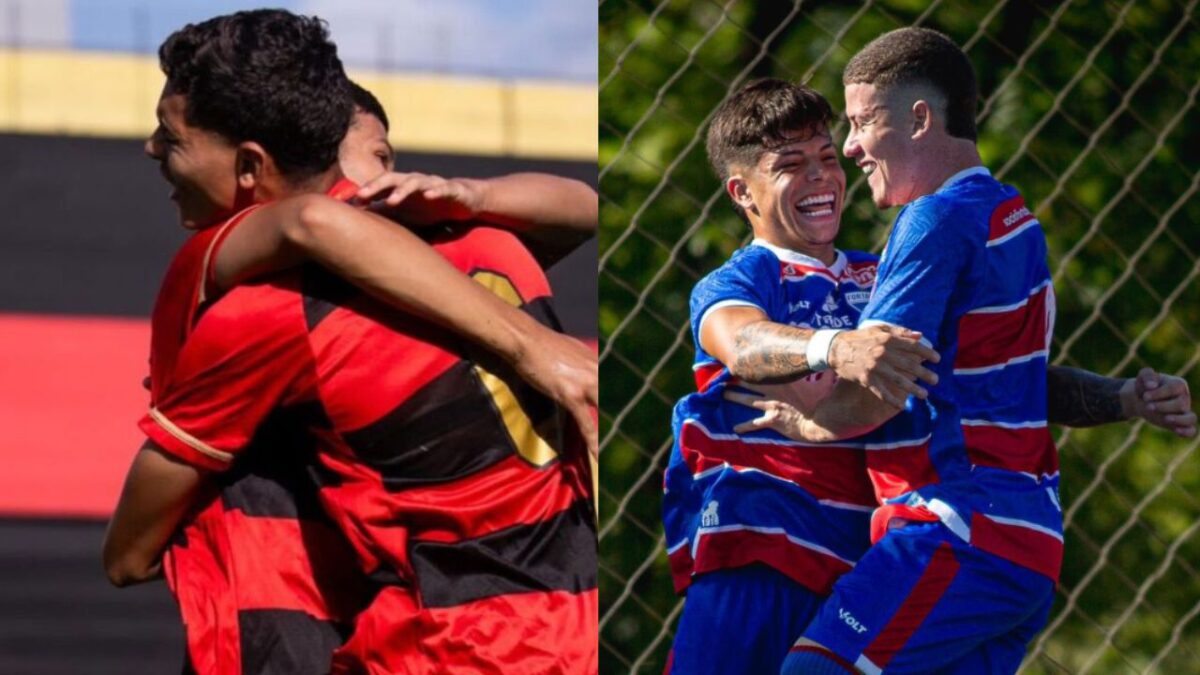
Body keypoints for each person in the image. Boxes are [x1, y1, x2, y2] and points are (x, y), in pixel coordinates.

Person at [103, 9, 596, 674]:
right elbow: (581, 208)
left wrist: (128, 555)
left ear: (252, 164)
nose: (153, 150)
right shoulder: (494, 243)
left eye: (173, 138)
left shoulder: (272, 310)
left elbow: (131, 552)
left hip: (456, 643)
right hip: (586, 615)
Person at [665, 77, 1195, 675]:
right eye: (792, 165)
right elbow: (740, 342)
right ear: (743, 192)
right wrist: (836, 347)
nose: (822, 175)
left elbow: (985, 383)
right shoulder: (740, 282)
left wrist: (1121, 397)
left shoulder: (883, 275)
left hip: (865, 560)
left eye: (824, 156)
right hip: (763, 551)